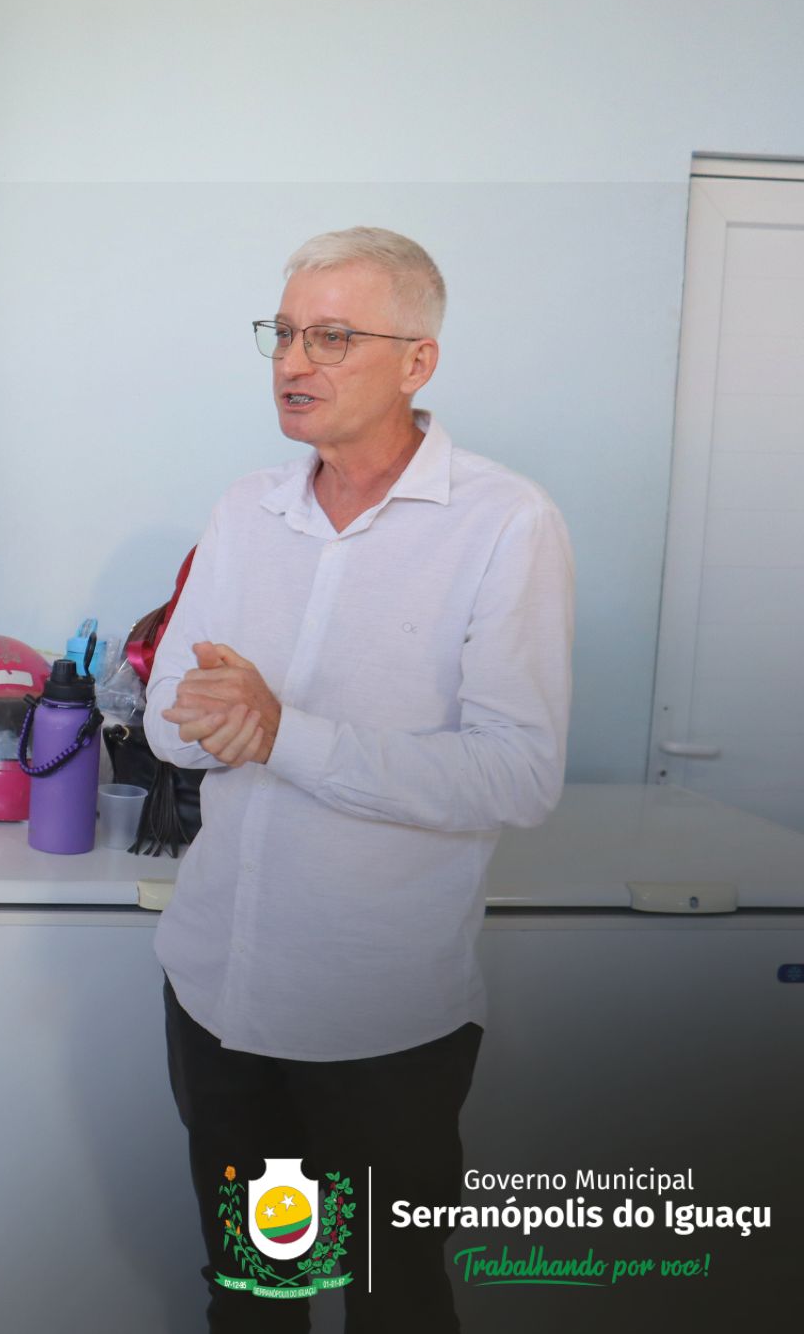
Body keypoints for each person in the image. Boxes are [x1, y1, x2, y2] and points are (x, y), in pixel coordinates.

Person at [145, 227, 574, 1331]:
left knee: (392, 1301)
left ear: (416, 360)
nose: (294, 361)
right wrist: (221, 724)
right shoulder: (247, 509)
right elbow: (166, 723)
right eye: (285, 333)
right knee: (258, 1295)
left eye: (332, 337)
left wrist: (281, 733)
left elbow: (518, 774)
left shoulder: (503, 523)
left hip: (378, 1026)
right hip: (223, 997)